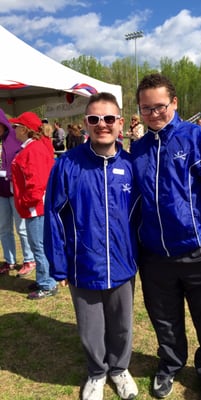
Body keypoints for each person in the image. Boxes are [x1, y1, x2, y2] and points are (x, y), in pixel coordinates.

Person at [131, 74, 201, 400]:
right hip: (155, 257)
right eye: (146, 108)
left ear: (175, 103)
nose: (153, 114)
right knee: (165, 321)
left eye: (159, 106)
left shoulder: (198, 139)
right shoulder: (137, 149)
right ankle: (170, 363)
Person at [44, 92, 139, 400]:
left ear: (120, 123)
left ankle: (120, 369)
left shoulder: (131, 164)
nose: (102, 125)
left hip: (123, 263)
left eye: (109, 118)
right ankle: (97, 373)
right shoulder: (67, 165)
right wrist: (58, 263)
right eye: (95, 119)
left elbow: (142, 215)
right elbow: (54, 217)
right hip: (82, 264)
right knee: (90, 328)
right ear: (85, 123)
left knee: (122, 325)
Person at [10, 111, 57, 300]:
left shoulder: (33, 149)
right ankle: (44, 279)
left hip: (36, 206)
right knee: (38, 245)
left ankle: (47, 284)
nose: (14, 130)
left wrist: (27, 202)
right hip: (35, 205)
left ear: (24, 129)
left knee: (39, 246)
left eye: (16, 127)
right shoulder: (33, 146)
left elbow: (37, 181)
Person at [0, 109, 36, 276]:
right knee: (3, 227)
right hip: (1, 191)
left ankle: (29, 259)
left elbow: (23, 161)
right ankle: (10, 260)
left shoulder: (15, 137)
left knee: (21, 227)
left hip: (16, 190)